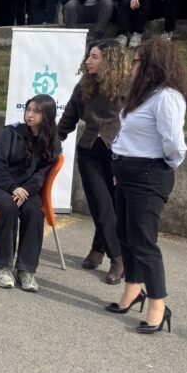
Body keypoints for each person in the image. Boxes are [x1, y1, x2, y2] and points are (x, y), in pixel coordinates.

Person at [108, 40, 187, 334]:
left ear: (153, 65)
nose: (132, 65)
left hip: (149, 174)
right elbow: (128, 132)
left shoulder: (167, 97)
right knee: (124, 234)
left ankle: (158, 304)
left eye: (137, 61)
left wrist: (163, 165)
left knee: (143, 240)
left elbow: (174, 143)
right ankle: (133, 289)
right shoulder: (143, 94)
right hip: (126, 171)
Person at [57, 41, 130, 284]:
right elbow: (68, 119)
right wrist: (50, 142)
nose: (88, 61)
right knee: (101, 204)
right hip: (89, 151)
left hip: (119, 153)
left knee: (113, 206)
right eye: (88, 56)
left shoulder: (129, 86)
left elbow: (138, 122)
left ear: (110, 61)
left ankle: (98, 250)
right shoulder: (84, 85)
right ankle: (118, 258)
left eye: (94, 57)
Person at [0, 94, 60, 291]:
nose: (30, 115)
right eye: (28, 109)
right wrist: (13, 188)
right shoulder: (11, 133)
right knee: (9, 206)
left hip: (25, 189)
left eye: (36, 111)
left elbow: (41, 174)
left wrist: (25, 190)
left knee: (34, 211)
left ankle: (26, 270)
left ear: (47, 116)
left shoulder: (52, 141)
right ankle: (2, 267)